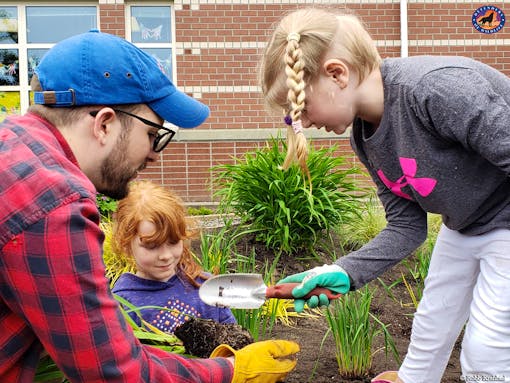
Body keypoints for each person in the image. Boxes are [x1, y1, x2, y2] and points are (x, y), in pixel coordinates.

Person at [0, 29, 299, 382]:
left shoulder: (13, 148)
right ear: (104, 124)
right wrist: (233, 371)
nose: (155, 155)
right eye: (152, 135)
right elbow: (114, 371)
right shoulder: (53, 202)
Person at [259, 7, 510, 383]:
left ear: (337, 74)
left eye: (301, 107)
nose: (304, 123)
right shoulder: (365, 137)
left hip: (506, 219)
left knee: (486, 349)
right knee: (430, 327)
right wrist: (342, 272)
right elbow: (407, 226)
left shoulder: (438, 90)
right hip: (465, 226)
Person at [111, 180, 236, 332]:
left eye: (173, 242)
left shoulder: (205, 286)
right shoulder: (122, 301)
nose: (165, 255)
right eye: (152, 246)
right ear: (126, 244)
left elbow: (233, 339)